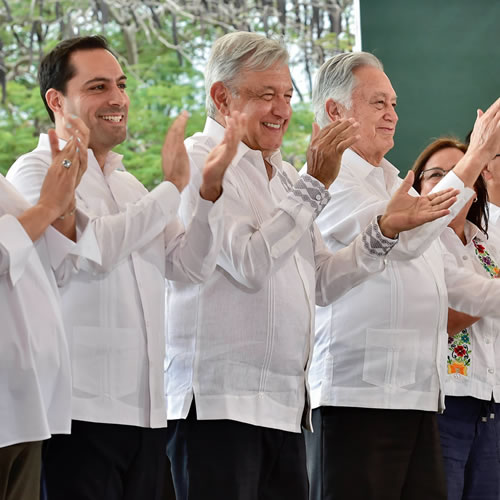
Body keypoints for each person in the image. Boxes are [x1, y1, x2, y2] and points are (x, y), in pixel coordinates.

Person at [164, 32, 462, 500]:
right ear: (222, 97)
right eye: (267, 95)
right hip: (219, 404)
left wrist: (383, 230)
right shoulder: (201, 158)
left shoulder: (284, 174)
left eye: (286, 95)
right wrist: (315, 186)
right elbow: (248, 263)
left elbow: (322, 279)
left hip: (283, 408)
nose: (283, 110)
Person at [7, 35, 245, 500]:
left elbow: (190, 266)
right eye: (97, 87)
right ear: (57, 100)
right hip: (75, 415)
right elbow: (93, 246)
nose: (117, 98)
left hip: (148, 415)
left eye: (120, 84)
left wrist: (207, 193)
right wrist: (172, 187)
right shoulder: (34, 172)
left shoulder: (132, 186)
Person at [304, 50, 500, 500]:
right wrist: (475, 156)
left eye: (393, 103)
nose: (392, 114)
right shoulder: (328, 180)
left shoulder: (394, 182)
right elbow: (405, 236)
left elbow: (458, 285)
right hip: (357, 398)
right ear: (335, 111)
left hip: (417, 399)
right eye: (378, 103)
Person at [0, 128, 100, 500]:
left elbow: (56, 267)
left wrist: (65, 202)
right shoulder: (22, 173)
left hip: (28, 406)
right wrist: (46, 206)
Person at [412, 137, 500, 500]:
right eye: (437, 175)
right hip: (443, 405)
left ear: (476, 191)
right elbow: (445, 319)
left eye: (462, 174)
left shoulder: (490, 244)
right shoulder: (414, 244)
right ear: (417, 188)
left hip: (492, 405)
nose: (452, 182)